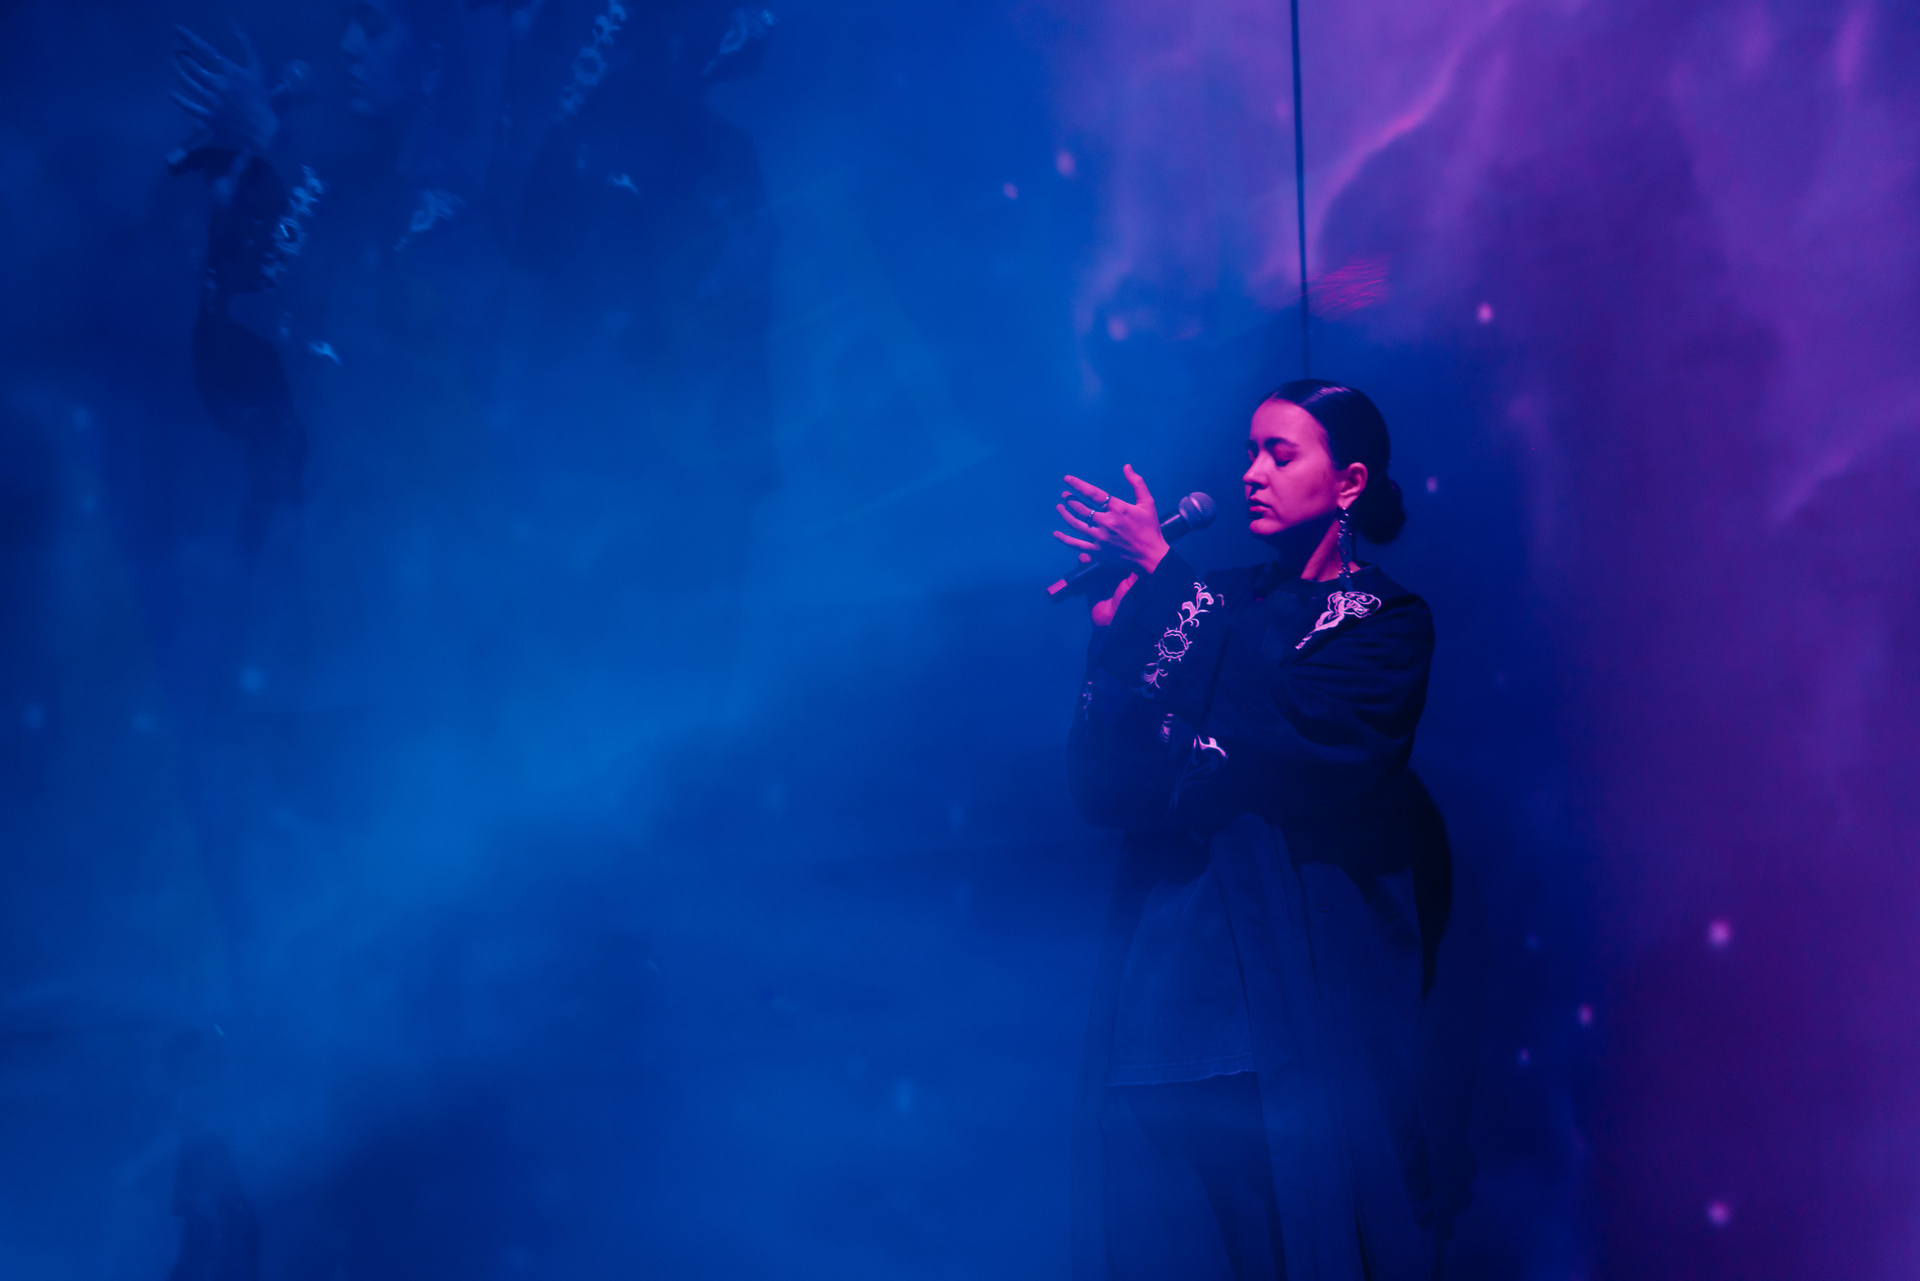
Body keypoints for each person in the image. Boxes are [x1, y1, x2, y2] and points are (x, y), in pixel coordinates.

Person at [1054, 380, 1451, 1280]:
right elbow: (1105, 788)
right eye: (1248, 453)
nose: (1251, 473)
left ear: (1349, 482)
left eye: (1280, 453)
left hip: (1286, 1014)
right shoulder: (1214, 601)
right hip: (1166, 1004)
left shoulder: (1385, 625)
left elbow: (1289, 730)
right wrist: (1112, 639)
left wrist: (1165, 582)